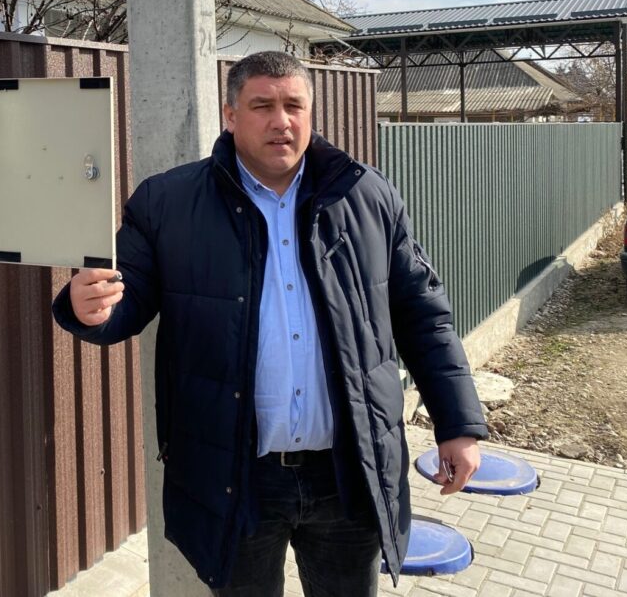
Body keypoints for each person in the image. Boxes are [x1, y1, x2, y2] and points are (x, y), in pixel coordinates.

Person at [52, 51, 486, 595]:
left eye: (293, 106)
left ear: (311, 114)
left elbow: (424, 317)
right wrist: (87, 307)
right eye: (262, 106)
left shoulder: (366, 196)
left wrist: (458, 425)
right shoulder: (167, 201)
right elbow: (124, 299)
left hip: (349, 472)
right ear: (231, 115)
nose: (281, 121)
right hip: (235, 478)